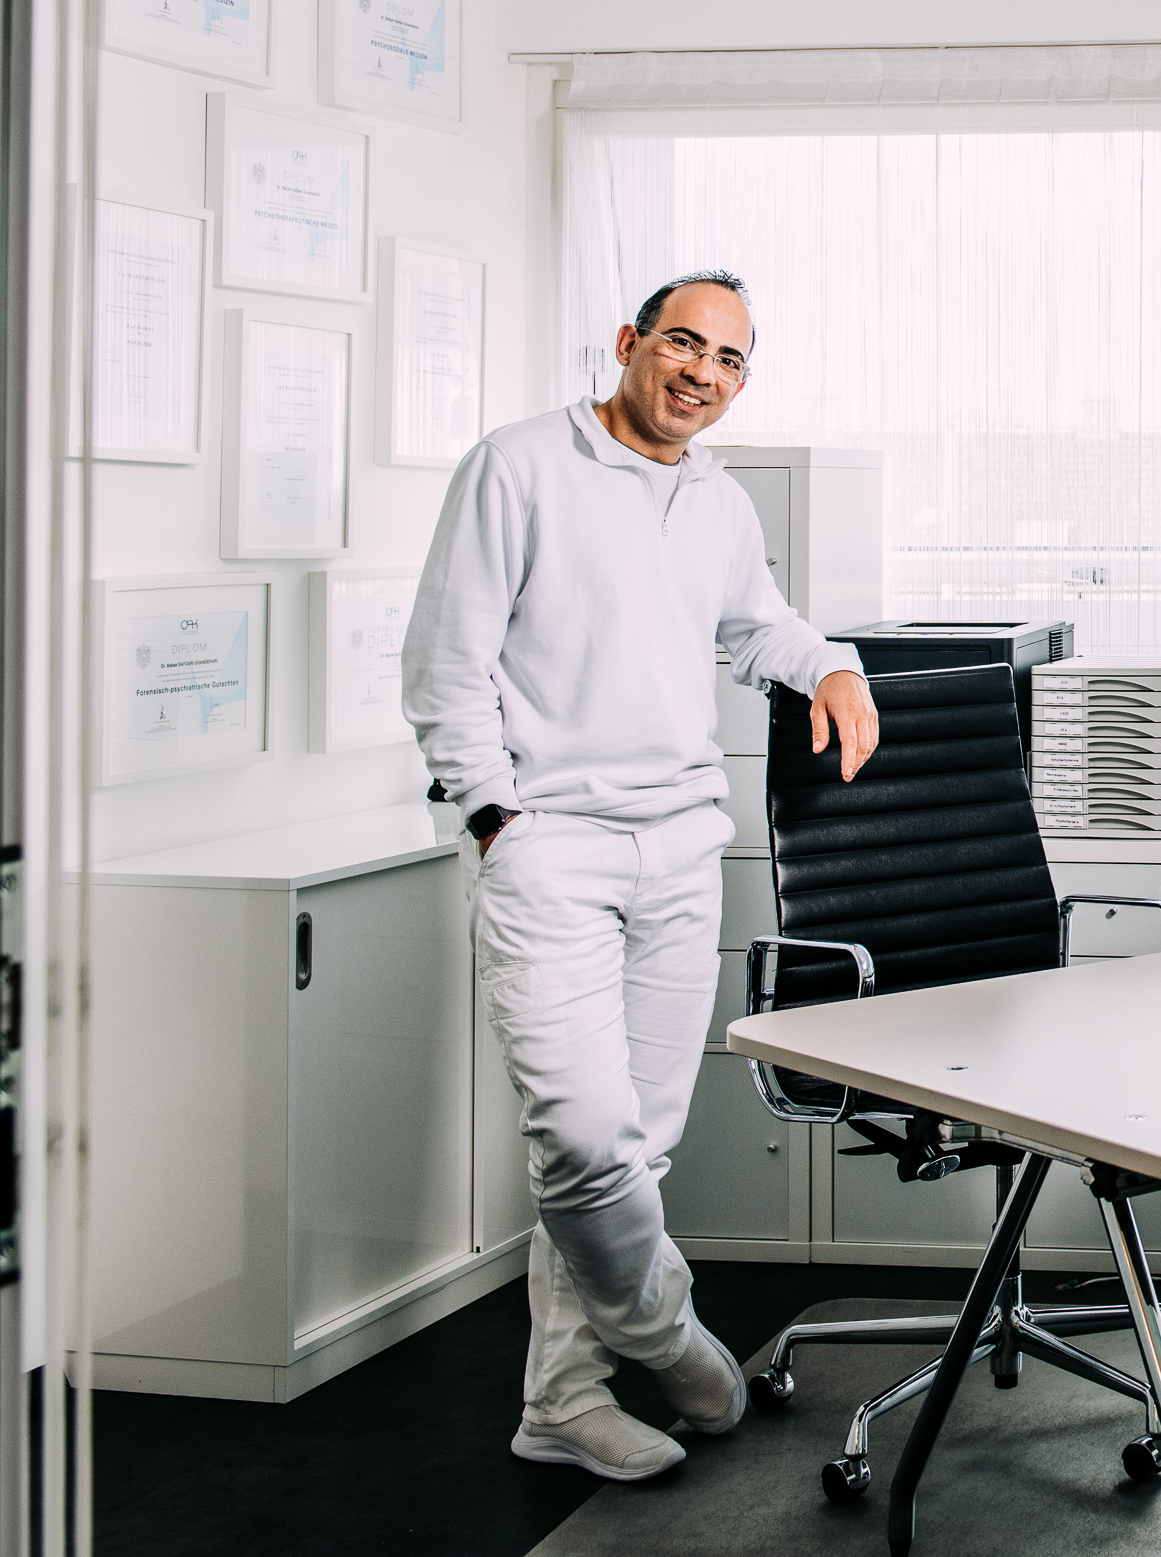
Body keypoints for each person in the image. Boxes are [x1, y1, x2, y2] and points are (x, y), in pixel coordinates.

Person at [402, 269, 879, 1482]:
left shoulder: (714, 500)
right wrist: (495, 815)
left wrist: (830, 664)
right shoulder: (516, 465)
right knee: (581, 1134)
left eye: (728, 358)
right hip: (549, 843)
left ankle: (560, 1399)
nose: (701, 373)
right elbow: (444, 662)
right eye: (682, 342)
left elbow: (753, 620)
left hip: (681, 847)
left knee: (637, 1147)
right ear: (627, 343)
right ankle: (670, 1340)